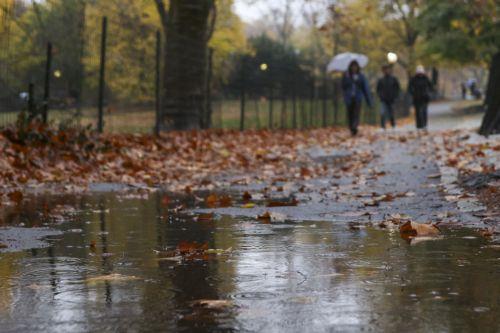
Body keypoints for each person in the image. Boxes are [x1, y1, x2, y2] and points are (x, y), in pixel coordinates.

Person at [341, 60, 373, 136]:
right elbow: (343, 86)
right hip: (349, 98)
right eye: (352, 66)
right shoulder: (346, 75)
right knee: (350, 113)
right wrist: (347, 78)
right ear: (350, 67)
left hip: (358, 97)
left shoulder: (361, 76)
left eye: (355, 66)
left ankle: (354, 126)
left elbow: (365, 88)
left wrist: (369, 101)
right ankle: (351, 127)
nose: (354, 68)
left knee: (356, 112)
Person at [408, 65, 432, 131]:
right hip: (416, 98)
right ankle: (419, 126)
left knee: (424, 111)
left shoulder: (425, 78)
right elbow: (410, 88)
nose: (420, 74)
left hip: (425, 98)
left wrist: (428, 93)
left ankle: (424, 125)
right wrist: (413, 93)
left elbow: (430, 86)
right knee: (418, 112)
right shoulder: (413, 79)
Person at [376, 64, 400, 129]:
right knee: (382, 112)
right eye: (384, 69)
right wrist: (380, 96)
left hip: (391, 99)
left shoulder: (393, 79)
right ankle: (382, 126)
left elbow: (397, 88)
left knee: (391, 113)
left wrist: (395, 96)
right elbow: (378, 89)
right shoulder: (381, 80)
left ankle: (393, 125)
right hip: (383, 99)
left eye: (387, 69)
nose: (386, 71)